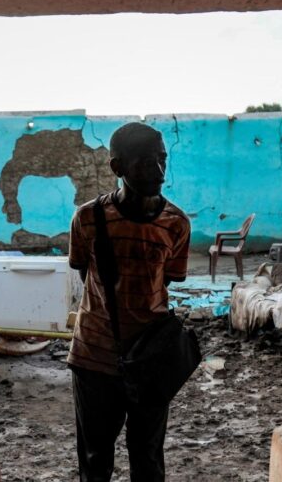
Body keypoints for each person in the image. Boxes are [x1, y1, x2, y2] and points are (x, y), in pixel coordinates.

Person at [67, 122, 191, 481]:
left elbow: (163, 281)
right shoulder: (87, 219)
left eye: (162, 159)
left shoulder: (176, 224)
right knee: (95, 461)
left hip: (151, 360)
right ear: (117, 167)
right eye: (145, 162)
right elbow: (86, 275)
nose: (159, 171)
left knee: (148, 459)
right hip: (93, 358)